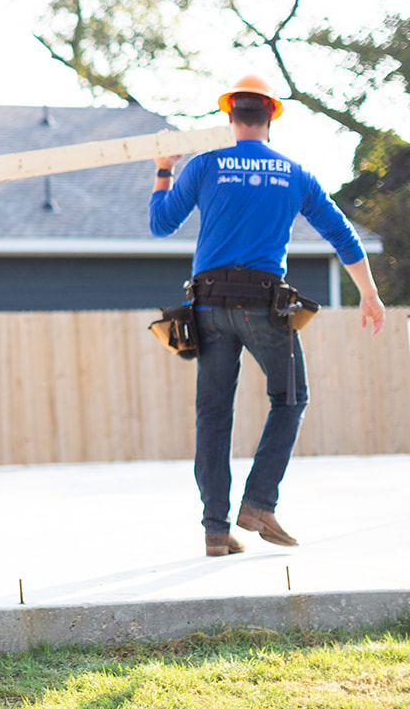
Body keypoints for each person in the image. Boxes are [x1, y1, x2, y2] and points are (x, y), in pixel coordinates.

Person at [150, 74, 386, 557]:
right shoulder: (295, 174)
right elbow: (344, 236)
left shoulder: (204, 166)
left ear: (229, 116)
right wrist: (369, 294)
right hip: (263, 307)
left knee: (213, 416)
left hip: (208, 307)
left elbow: (160, 224)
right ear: (271, 117)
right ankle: (258, 504)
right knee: (290, 399)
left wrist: (162, 170)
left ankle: (216, 529)